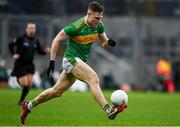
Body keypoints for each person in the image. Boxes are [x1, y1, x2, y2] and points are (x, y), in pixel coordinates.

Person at [20, 2, 127, 124]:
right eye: (96, 18)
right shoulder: (75, 27)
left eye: (100, 18)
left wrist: (109, 43)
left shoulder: (99, 26)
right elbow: (56, 40)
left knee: (56, 92)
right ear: (89, 14)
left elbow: (103, 43)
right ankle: (108, 110)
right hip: (70, 59)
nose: (98, 21)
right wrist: (52, 61)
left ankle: (28, 105)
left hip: (79, 62)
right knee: (93, 78)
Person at [9, 22, 50, 105]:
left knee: (29, 84)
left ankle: (21, 101)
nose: (32, 30)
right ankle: (17, 76)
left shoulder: (36, 40)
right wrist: (14, 54)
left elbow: (39, 51)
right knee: (25, 83)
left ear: (35, 30)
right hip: (20, 64)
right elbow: (10, 45)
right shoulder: (21, 38)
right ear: (26, 29)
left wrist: (45, 51)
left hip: (30, 65)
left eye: (33, 28)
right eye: (30, 28)